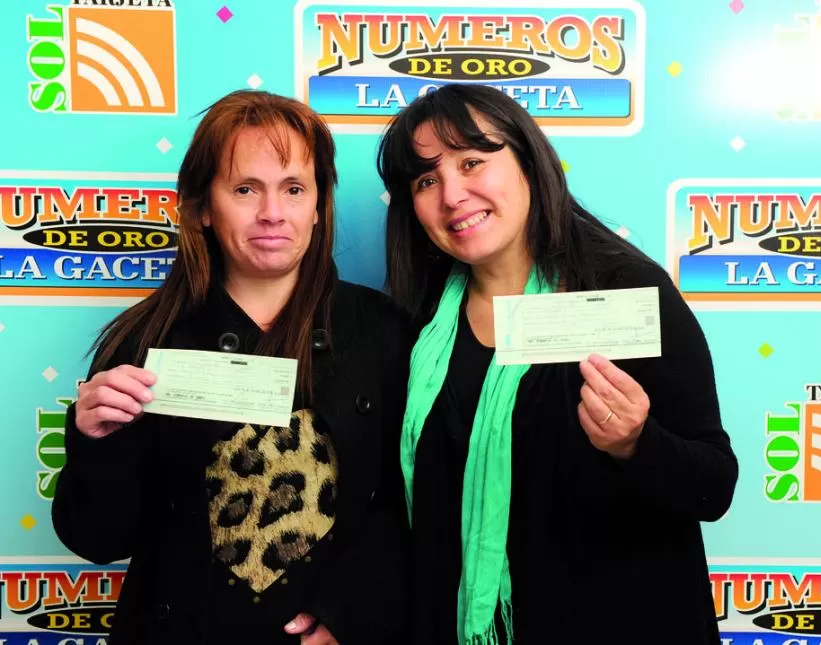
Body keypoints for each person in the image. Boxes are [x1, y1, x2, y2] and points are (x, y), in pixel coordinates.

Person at [376, 83, 738, 645]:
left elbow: (714, 487)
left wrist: (635, 444)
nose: (452, 194)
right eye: (426, 180)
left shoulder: (627, 292)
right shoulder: (419, 322)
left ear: (527, 159)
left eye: (473, 161)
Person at [52, 89, 412, 645]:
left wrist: (352, 613)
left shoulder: (382, 332)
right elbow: (99, 540)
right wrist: (96, 441)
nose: (272, 213)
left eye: (294, 189)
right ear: (201, 210)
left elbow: (410, 506)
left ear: (319, 206)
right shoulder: (145, 340)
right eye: (245, 189)